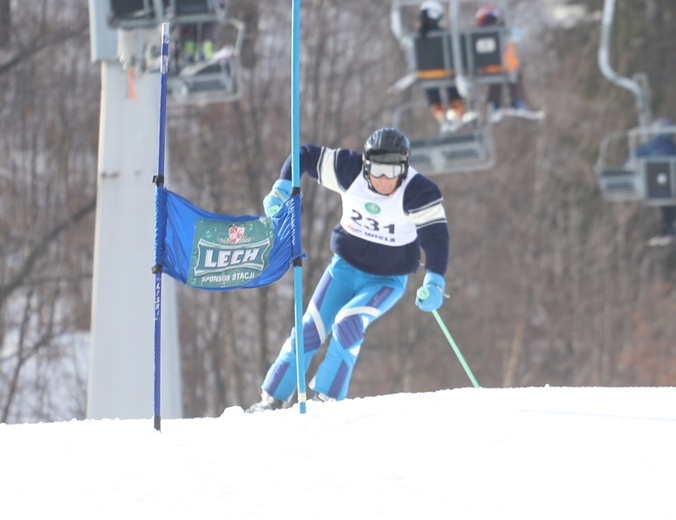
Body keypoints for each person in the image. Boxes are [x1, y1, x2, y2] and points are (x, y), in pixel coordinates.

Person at [247, 128, 450, 412]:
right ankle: (271, 399)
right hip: (343, 270)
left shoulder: (417, 192)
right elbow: (304, 156)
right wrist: (282, 186)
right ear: (366, 164)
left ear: (404, 167)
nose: (383, 179)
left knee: (349, 322)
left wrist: (435, 279)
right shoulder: (348, 170)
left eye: (392, 171)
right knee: (309, 330)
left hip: (386, 280)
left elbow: (436, 236)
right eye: (377, 169)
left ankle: (325, 400)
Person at [419, 1, 465, 127]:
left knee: (432, 91)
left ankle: (439, 112)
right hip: (447, 71)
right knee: (453, 88)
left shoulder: (419, 36)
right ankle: (456, 111)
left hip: (427, 73)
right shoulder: (443, 34)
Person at [475, 5, 527, 112]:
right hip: (502, 67)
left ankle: (496, 105)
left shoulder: (478, 35)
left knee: (500, 81)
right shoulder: (501, 32)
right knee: (512, 78)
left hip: (494, 67)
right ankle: (517, 104)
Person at [633, 120, 676, 246]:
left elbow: (631, 161)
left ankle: (667, 231)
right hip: (671, 188)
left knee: (664, 205)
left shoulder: (647, 149)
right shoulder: (672, 149)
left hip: (655, 190)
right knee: (669, 203)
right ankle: (668, 230)